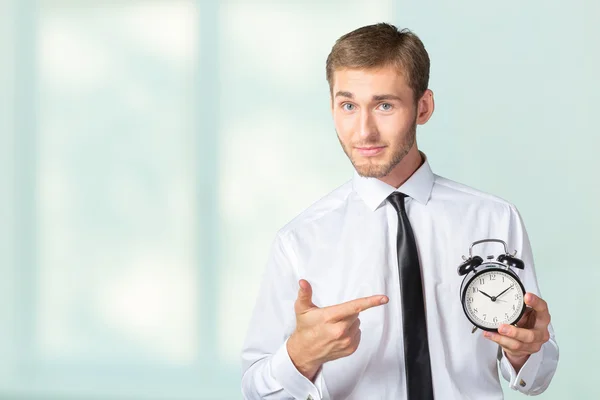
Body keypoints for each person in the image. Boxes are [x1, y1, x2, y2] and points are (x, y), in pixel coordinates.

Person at [240, 23, 559, 400]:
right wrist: (300, 358)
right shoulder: (299, 240)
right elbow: (256, 389)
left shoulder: (495, 219)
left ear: (423, 107)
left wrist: (525, 351)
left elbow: (536, 378)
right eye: (348, 106)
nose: (364, 131)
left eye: (384, 105)